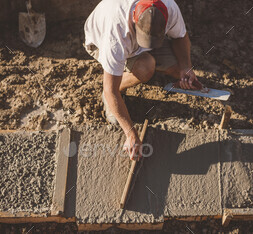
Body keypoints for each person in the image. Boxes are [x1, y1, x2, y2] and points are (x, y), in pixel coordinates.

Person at [84, 0, 204, 161]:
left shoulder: (169, 7)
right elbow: (110, 89)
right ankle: (119, 89)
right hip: (100, 43)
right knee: (146, 68)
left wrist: (186, 67)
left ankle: (149, 57)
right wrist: (130, 133)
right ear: (134, 18)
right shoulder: (116, 32)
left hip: (142, 45)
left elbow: (180, 37)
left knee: (178, 71)